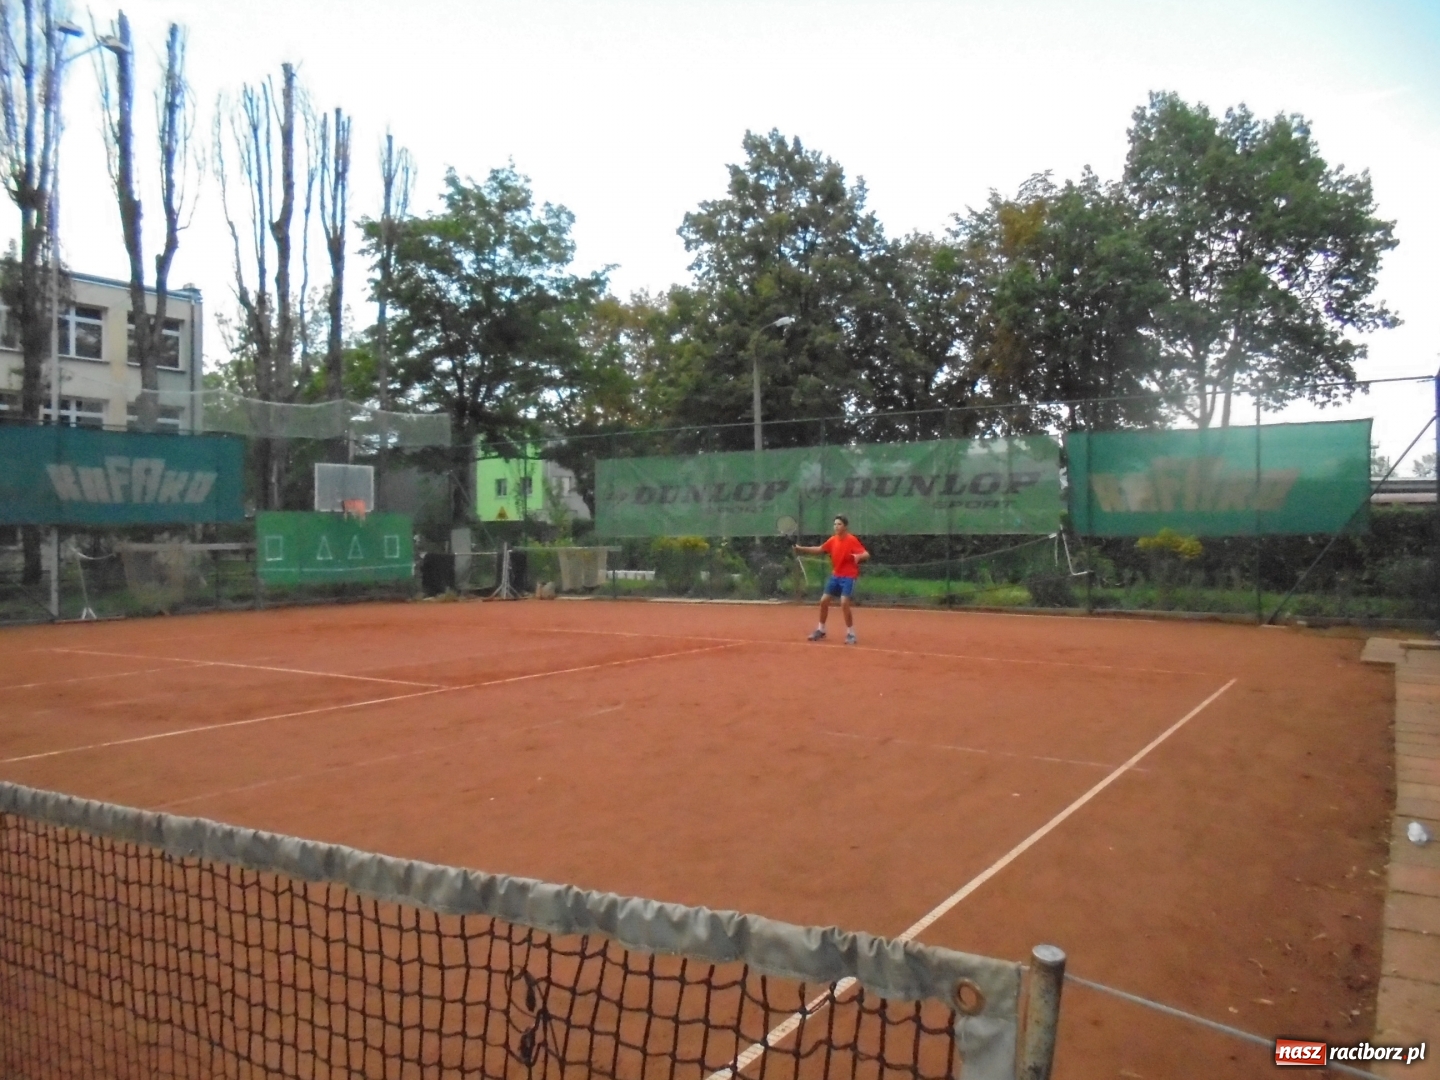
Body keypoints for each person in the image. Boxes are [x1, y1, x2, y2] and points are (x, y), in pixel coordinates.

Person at [794, 515, 869, 645]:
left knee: (844, 602)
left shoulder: (851, 540)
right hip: (836, 575)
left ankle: (851, 633)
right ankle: (821, 630)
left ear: (845, 527)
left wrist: (858, 556)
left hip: (849, 576)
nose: (836, 526)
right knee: (824, 601)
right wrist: (801, 548)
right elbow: (819, 549)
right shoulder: (833, 540)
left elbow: (867, 554)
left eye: (839, 524)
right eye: (835, 524)